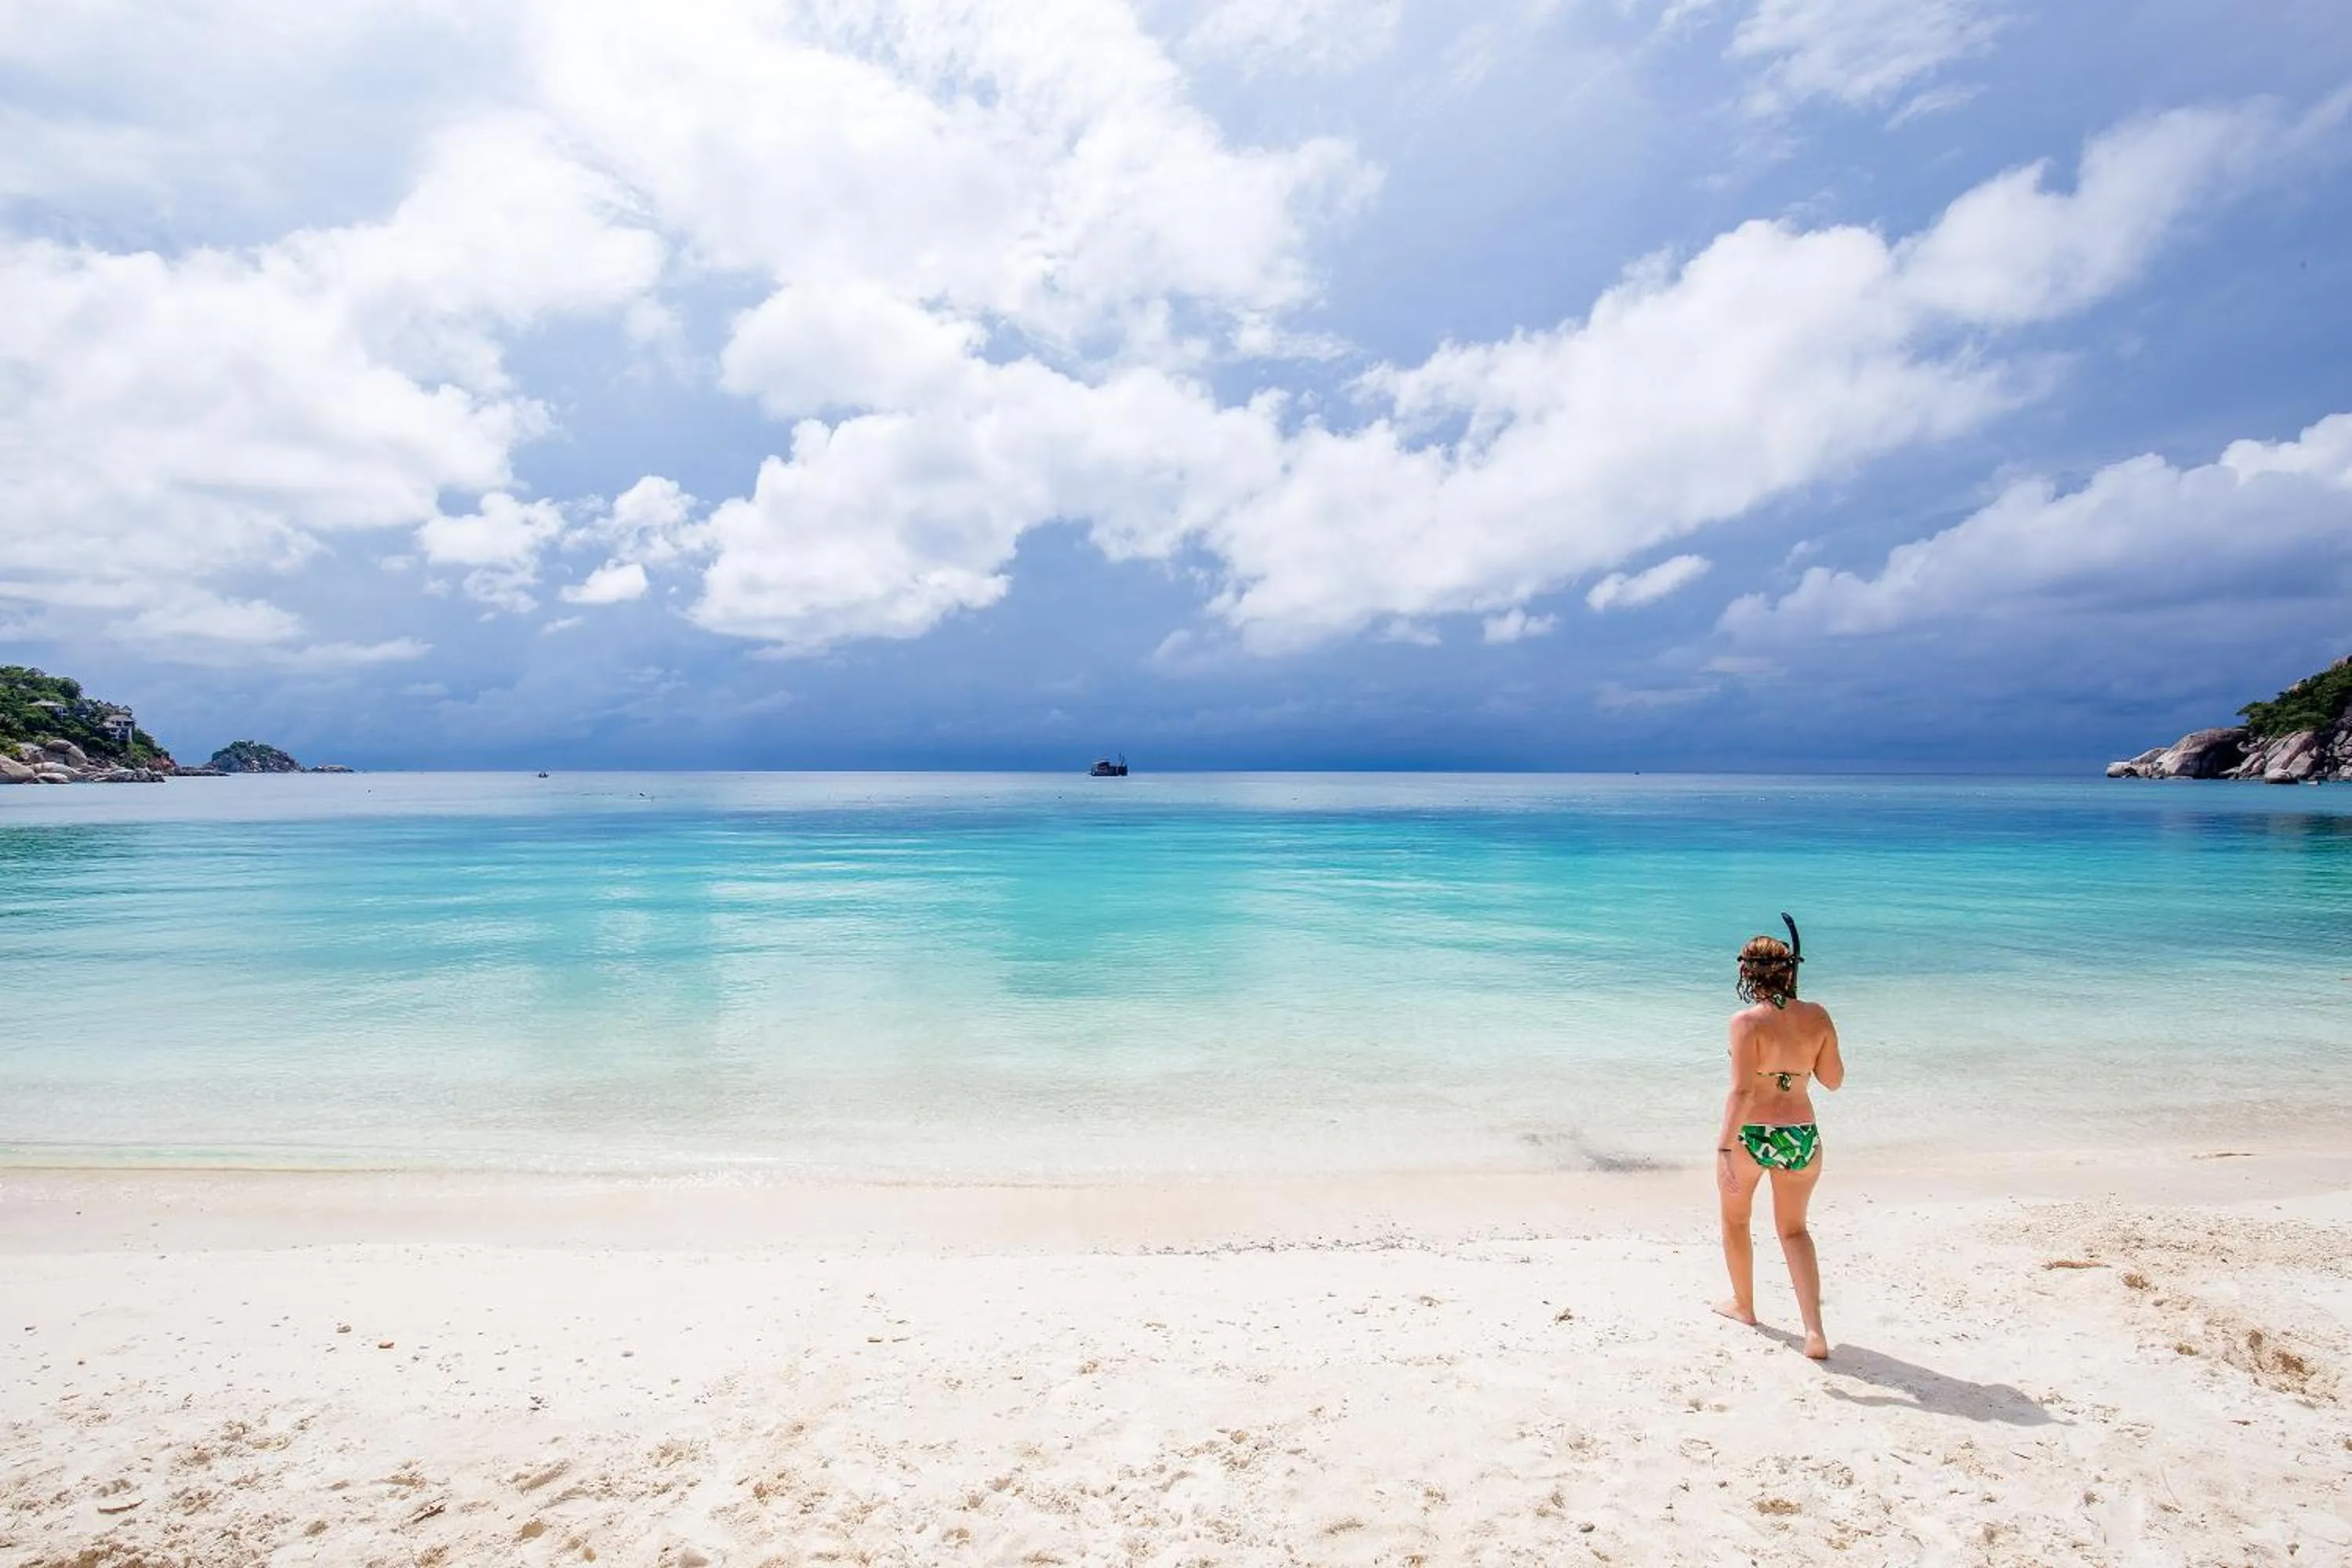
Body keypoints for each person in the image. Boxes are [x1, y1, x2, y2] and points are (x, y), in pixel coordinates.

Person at [1712, 915, 1843, 1359]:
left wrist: (1724, 1148)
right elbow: (1834, 1080)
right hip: (1803, 1136)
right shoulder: (1818, 1015)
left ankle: (1744, 1305)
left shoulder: (1745, 1022)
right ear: (1790, 971)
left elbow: (1743, 1091)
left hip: (1753, 1135)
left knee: (1735, 1220)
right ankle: (1814, 1331)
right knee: (1794, 1231)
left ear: (1746, 974)